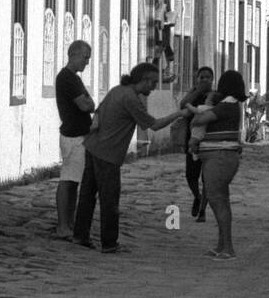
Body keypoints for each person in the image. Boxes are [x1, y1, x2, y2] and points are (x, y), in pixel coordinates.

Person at [73, 63, 192, 253]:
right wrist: (180, 113)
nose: (153, 87)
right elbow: (154, 125)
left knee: (87, 194)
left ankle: (80, 235)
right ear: (143, 80)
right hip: (108, 153)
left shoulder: (117, 91)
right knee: (109, 199)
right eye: (152, 82)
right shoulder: (131, 99)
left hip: (93, 146)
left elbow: (98, 114)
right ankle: (109, 243)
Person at [189, 70, 248, 260]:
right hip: (221, 156)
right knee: (221, 200)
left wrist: (206, 104)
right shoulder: (232, 105)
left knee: (217, 200)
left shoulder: (226, 105)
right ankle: (222, 244)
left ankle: (227, 247)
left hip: (219, 156)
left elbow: (199, 119)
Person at [53, 41, 95, 240]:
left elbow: (90, 103)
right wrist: (87, 102)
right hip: (73, 136)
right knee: (68, 181)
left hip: (79, 135)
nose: (87, 62)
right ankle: (63, 225)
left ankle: (68, 223)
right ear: (74, 54)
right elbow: (85, 105)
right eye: (85, 57)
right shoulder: (67, 78)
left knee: (73, 182)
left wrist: (88, 102)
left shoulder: (74, 79)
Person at [180, 66, 215, 222]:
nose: (205, 80)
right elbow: (183, 104)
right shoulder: (193, 93)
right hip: (192, 139)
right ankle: (197, 196)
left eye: (208, 77)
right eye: (202, 77)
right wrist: (197, 91)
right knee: (190, 175)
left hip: (209, 140)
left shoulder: (214, 95)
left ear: (212, 79)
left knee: (206, 178)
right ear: (197, 78)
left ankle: (202, 211)